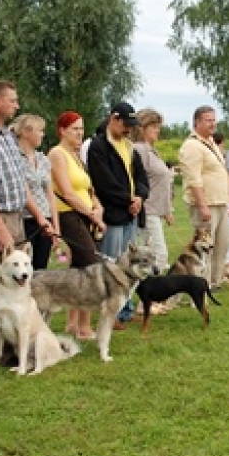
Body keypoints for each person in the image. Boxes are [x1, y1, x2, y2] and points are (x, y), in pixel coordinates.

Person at [0, 80, 53, 365]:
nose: (17, 106)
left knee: (21, 280)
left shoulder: (7, 137)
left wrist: (40, 216)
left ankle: (20, 345)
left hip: (17, 215)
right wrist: (0, 229)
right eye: (12, 101)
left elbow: (20, 183)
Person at [87, 102, 149, 329]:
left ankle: (126, 309)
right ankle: (109, 312)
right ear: (114, 119)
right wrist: (128, 200)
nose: (128, 130)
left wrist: (140, 197)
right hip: (113, 214)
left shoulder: (130, 147)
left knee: (130, 264)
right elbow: (104, 183)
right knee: (111, 265)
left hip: (131, 213)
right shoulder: (99, 146)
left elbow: (142, 177)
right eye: (126, 125)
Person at [49, 111, 105, 340]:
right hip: (69, 214)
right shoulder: (57, 154)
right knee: (91, 267)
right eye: (75, 129)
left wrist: (97, 206)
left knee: (79, 270)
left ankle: (75, 323)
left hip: (84, 214)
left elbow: (88, 188)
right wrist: (93, 216)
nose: (80, 133)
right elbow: (67, 192)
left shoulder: (76, 156)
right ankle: (84, 325)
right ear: (62, 131)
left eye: (82, 129)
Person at [178, 105, 229, 289]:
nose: (212, 124)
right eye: (208, 120)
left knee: (223, 243)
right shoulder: (192, 145)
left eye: (214, 120)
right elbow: (194, 179)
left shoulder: (211, 143)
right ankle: (201, 282)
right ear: (197, 122)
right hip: (206, 204)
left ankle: (215, 280)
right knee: (205, 245)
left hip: (221, 201)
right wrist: (202, 206)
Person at [11, 114, 59, 270]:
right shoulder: (14, 158)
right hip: (26, 219)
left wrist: (55, 227)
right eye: (40, 130)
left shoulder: (43, 159)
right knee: (24, 266)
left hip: (45, 220)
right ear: (26, 132)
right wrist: (39, 217)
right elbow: (25, 192)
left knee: (41, 267)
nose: (43, 134)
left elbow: (50, 195)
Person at [132, 108, 174, 273]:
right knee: (159, 255)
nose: (158, 130)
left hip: (156, 210)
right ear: (142, 128)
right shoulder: (140, 150)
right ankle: (151, 294)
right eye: (153, 126)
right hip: (147, 210)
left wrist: (167, 210)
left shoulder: (151, 150)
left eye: (158, 126)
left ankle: (147, 294)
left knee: (149, 254)